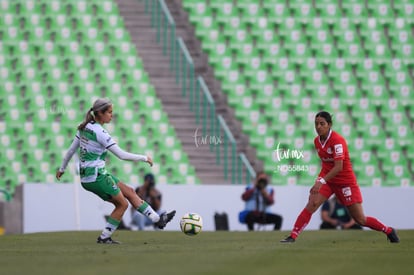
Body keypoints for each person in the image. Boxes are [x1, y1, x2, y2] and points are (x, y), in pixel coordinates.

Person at [56, 98, 176, 244]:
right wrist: (145, 158)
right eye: (110, 112)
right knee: (122, 205)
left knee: (130, 192)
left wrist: (62, 169)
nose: (112, 115)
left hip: (94, 175)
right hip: (95, 177)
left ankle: (158, 219)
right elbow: (121, 155)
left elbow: (70, 151)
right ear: (100, 113)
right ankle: (104, 237)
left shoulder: (85, 127)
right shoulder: (100, 132)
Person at [280, 111, 399, 243]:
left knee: (360, 219)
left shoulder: (337, 140)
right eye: (316, 124)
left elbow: (338, 167)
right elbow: (326, 164)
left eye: (322, 124)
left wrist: (321, 181)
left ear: (329, 124)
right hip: (328, 181)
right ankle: (293, 236)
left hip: (345, 183)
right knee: (312, 203)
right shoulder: (317, 141)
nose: (318, 127)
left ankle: (388, 230)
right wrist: (319, 181)